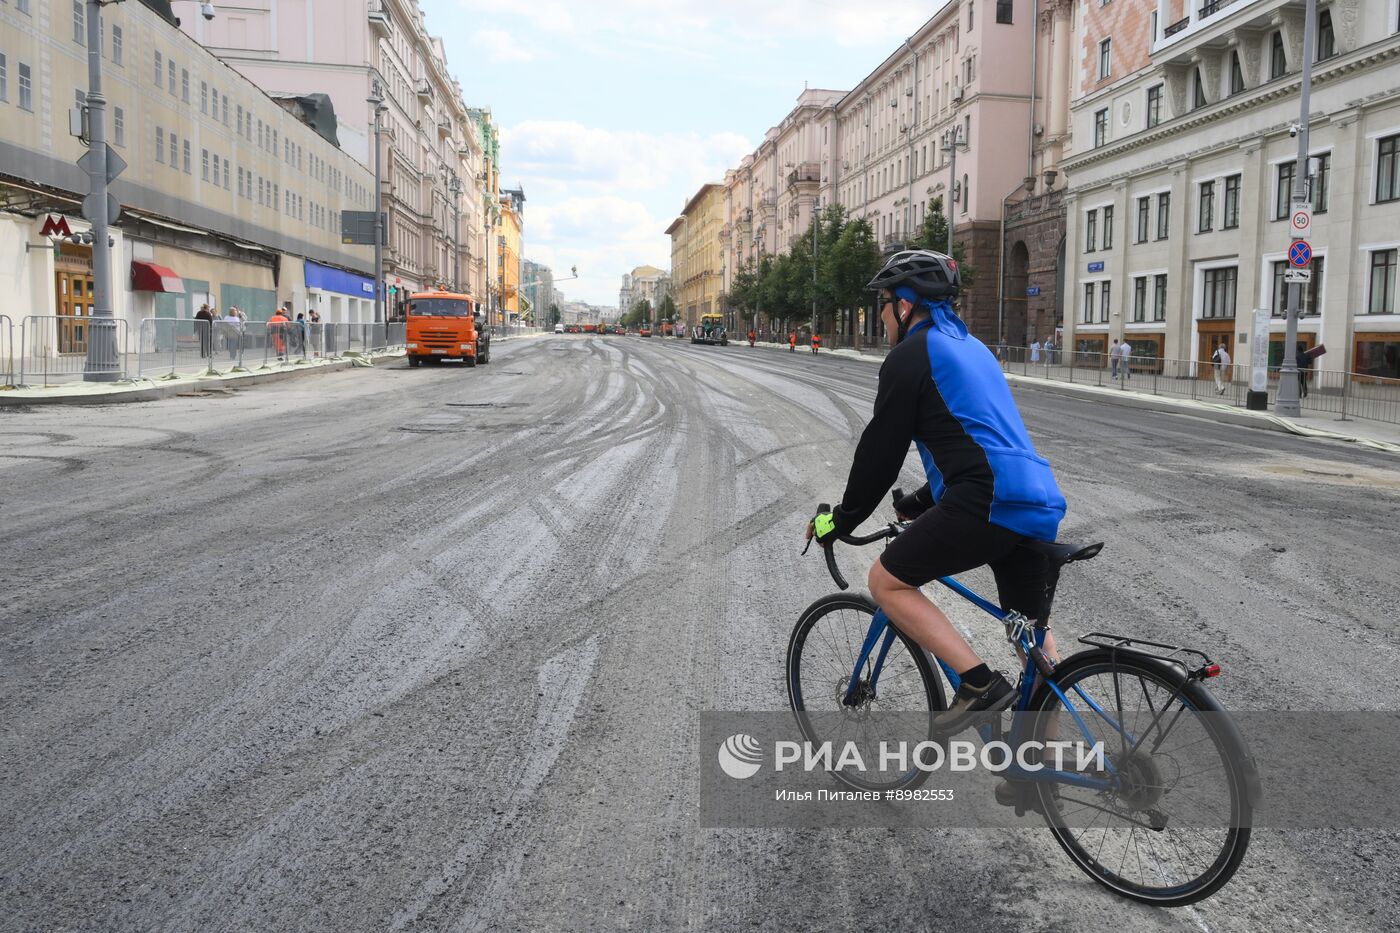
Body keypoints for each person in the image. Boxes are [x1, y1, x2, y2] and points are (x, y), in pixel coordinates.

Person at [807, 249, 1067, 736]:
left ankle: (978, 684)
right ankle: (1040, 764)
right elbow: (974, 439)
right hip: (1036, 499)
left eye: (882, 305)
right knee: (1030, 635)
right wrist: (918, 503)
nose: (879, 315)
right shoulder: (973, 349)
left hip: (987, 501)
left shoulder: (912, 354)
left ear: (904, 305)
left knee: (886, 581)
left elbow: (880, 454)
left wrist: (840, 520)